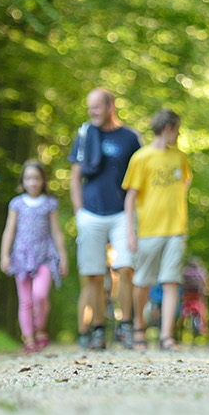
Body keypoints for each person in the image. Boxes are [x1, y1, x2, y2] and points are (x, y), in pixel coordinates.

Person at [68, 87, 144, 350]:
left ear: (110, 106)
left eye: (96, 107)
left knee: (125, 267)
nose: (92, 112)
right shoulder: (84, 134)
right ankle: (98, 328)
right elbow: (75, 177)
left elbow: (142, 176)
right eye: (90, 108)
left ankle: (126, 326)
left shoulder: (130, 137)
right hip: (90, 213)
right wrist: (79, 212)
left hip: (122, 213)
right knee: (93, 274)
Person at [123, 108, 192, 352]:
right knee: (142, 282)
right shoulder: (141, 158)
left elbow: (185, 180)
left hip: (176, 229)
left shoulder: (180, 157)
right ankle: (139, 326)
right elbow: (130, 197)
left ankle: (166, 336)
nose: (179, 134)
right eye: (177, 130)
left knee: (171, 281)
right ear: (167, 129)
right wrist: (130, 232)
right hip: (148, 230)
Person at [0, 160, 69, 354]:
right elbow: (9, 230)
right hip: (21, 257)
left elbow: (56, 232)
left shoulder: (49, 204)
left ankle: (40, 326)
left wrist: (63, 257)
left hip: (45, 256)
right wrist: (4, 255)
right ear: (23, 181)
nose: (32, 182)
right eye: (28, 178)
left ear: (43, 180)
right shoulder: (17, 204)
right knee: (25, 301)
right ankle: (29, 338)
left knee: (40, 295)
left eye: (36, 178)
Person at [180, 256, 209, 337]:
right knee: (203, 309)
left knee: (182, 309)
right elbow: (208, 285)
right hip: (197, 296)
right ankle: (204, 329)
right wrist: (208, 290)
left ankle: (178, 326)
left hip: (186, 296)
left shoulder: (184, 271)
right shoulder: (202, 272)